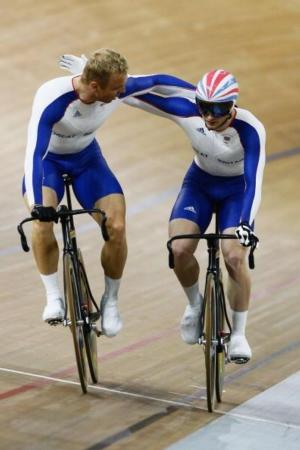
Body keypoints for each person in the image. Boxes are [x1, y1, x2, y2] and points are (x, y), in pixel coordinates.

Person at [61, 57, 265, 361]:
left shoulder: (250, 129)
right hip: (199, 184)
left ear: (232, 105)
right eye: (203, 106)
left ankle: (238, 334)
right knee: (180, 248)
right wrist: (91, 70)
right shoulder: (189, 111)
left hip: (237, 192)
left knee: (235, 257)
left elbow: (254, 180)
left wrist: (246, 224)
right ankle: (195, 305)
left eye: (218, 109)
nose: (209, 115)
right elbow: (134, 92)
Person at [23, 48, 195, 338]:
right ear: (94, 86)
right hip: (47, 162)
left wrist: (202, 97)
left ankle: (111, 300)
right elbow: (34, 152)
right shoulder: (53, 98)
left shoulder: (116, 87)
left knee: (116, 226)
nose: (123, 92)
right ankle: (53, 296)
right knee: (42, 222)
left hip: (87, 161)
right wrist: (39, 205)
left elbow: (162, 81)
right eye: (116, 88)